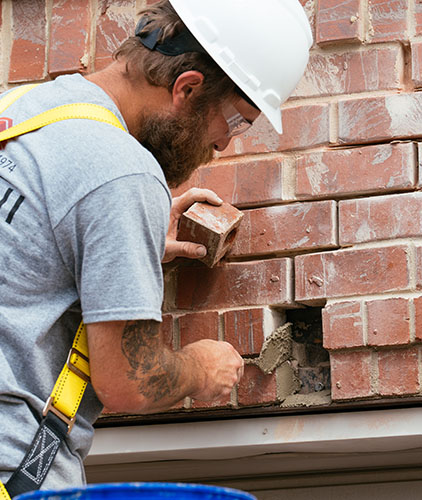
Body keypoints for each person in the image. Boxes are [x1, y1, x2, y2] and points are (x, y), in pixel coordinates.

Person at [0, 0, 312, 494]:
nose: (225, 144)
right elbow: (131, 380)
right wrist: (200, 369)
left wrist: (126, 244)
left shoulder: (23, 111)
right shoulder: (121, 170)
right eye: (234, 122)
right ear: (187, 88)